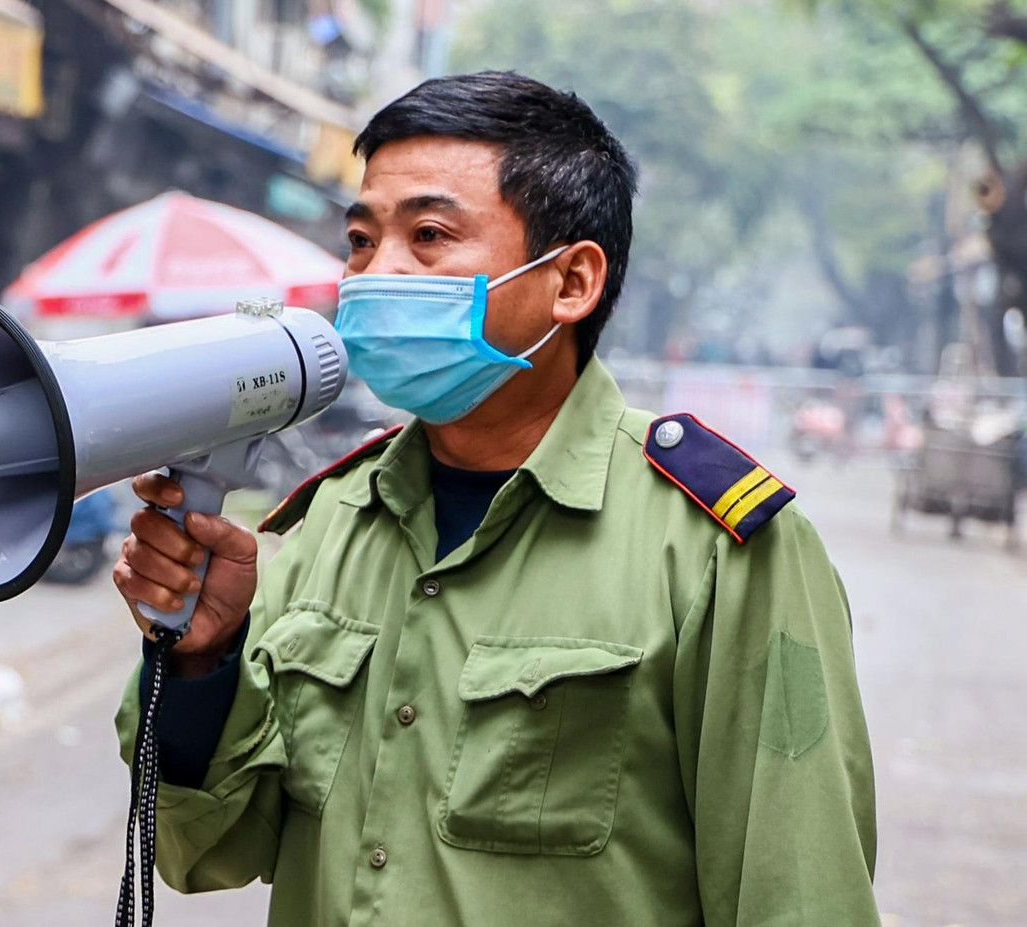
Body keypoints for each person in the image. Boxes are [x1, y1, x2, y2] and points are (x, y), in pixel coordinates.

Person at [112, 70, 879, 926]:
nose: (374, 274)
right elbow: (209, 851)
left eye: (430, 234)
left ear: (572, 282)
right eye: (362, 241)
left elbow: (801, 894)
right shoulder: (330, 521)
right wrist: (201, 659)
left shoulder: (716, 548)